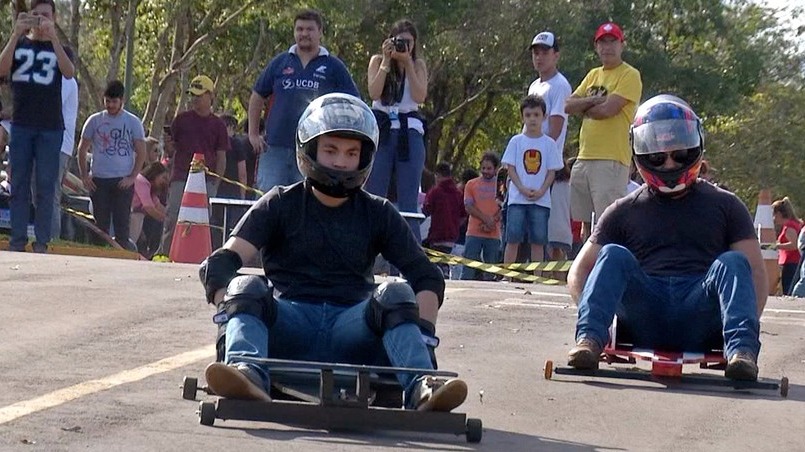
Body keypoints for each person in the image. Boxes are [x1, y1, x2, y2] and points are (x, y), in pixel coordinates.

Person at [198, 93, 467, 411]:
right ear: (309, 150)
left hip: (353, 330)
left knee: (396, 292)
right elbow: (219, 265)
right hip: (289, 323)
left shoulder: (377, 212)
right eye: (331, 150)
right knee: (245, 286)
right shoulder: (279, 203)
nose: (341, 162)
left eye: (351, 153)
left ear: (364, 157)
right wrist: (228, 318)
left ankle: (421, 383)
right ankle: (246, 372)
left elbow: (426, 277)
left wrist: (422, 335)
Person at [566, 95, 767, 381]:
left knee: (734, 262)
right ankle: (588, 340)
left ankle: (742, 352)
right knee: (612, 254)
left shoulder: (727, 206)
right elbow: (578, 272)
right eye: (658, 156)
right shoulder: (622, 210)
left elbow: (756, 272)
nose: (670, 163)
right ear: (640, 153)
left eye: (680, 154)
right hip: (643, 313)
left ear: (696, 147)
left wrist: (745, 323)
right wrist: (602, 320)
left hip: (700, 313)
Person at [248, 9, 360, 193]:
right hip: (275, 146)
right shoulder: (280, 62)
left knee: (310, 199)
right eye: (299, 29)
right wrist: (253, 134)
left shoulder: (334, 66)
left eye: (309, 29)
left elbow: (353, 103)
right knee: (267, 200)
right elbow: (257, 95)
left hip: (314, 149)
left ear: (320, 32)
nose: (304, 34)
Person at [0, 0, 75, 252]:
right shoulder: (19, 45)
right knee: (18, 185)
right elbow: (1, 69)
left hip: (50, 128)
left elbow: (69, 72)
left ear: (54, 18)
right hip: (21, 126)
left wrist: (52, 38)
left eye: (45, 16)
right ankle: (17, 240)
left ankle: (42, 242)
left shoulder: (60, 49)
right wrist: (15, 34)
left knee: (45, 186)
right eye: (36, 15)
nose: (40, 21)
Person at [565, 22, 642, 241]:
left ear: (622, 44)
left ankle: (609, 267)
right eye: (602, 42)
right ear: (596, 47)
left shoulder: (629, 74)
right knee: (585, 225)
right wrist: (592, 101)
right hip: (584, 157)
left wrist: (584, 107)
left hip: (611, 159)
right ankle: (588, 270)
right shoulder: (593, 75)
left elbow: (608, 110)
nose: (607, 47)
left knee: (608, 222)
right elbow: (568, 106)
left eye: (612, 41)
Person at [364, 19, 429, 241]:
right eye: (399, 41)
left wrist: (408, 63)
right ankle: (367, 255)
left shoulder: (418, 65)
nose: (404, 46)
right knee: (374, 195)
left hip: (408, 132)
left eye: (409, 42)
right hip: (382, 131)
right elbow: (374, 93)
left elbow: (420, 97)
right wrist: (386, 61)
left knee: (408, 199)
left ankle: (409, 261)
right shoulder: (377, 61)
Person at [158, 74, 229, 255]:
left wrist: (215, 182)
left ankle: (201, 256)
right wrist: (168, 146)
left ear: (210, 96)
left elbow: (221, 156)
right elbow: (171, 149)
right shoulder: (181, 120)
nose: (195, 99)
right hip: (181, 176)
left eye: (199, 95)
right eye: (193, 95)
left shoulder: (218, 125)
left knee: (203, 221)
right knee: (173, 216)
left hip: (206, 181)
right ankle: (165, 254)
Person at [77, 80, 146, 249]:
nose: (110, 105)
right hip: (99, 180)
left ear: (122, 100)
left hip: (122, 181)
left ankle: (121, 254)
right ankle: (99, 254)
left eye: (114, 101)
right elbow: (82, 149)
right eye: (107, 101)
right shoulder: (94, 121)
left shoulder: (133, 122)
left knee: (122, 224)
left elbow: (142, 152)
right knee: (100, 226)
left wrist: (132, 177)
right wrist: (84, 176)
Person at [501, 95, 564, 267]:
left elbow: (552, 171)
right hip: (517, 198)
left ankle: (537, 277)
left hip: (541, 199)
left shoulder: (549, 144)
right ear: (522, 117)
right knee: (512, 237)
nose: (532, 119)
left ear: (544, 117)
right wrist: (521, 188)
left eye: (536, 115)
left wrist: (542, 190)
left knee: (538, 240)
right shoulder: (516, 141)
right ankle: (507, 274)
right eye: (528, 115)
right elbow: (511, 169)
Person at [461, 152, 502, 281]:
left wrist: (492, 221)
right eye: (483, 168)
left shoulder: (501, 185)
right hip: (474, 232)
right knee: (468, 268)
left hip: (493, 233)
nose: (485, 171)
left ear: (496, 169)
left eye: (489, 168)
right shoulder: (471, 184)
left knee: (490, 271)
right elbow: (468, 206)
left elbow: (504, 206)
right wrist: (485, 219)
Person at [422, 162, 465, 278]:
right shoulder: (458, 193)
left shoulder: (435, 192)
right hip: (453, 237)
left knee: (435, 264)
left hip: (437, 235)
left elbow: (426, 211)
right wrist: (454, 225)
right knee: (446, 263)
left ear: (438, 175)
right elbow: (463, 215)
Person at [52, 74, 78, 239]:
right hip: (50, 144)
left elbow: (52, 104)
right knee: (40, 192)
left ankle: (51, 236)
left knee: (51, 192)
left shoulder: (66, 80)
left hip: (59, 146)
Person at [130, 161, 168, 255]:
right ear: (155, 174)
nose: (164, 181)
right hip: (131, 214)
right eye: (163, 178)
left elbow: (158, 206)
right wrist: (167, 220)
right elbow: (149, 208)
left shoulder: (150, 187)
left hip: (137, 216)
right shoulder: (142, 181)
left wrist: (173, 217)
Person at [771, 197, 802, 296]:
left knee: (789, 289)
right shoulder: (794, 224)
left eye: (774, 215)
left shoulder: (789, 227)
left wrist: (775, 246)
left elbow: (794, 245)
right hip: (793, 263)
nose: (773, 219)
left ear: (779, 214)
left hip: (791, 263)